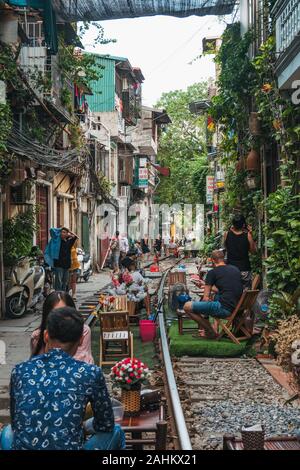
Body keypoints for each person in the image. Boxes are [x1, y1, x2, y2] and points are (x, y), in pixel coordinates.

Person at [6, 307, 125, 450]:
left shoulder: (20, 370)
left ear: (46, 336)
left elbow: (16, 421)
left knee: (8, 431)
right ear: (81, 340)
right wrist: (83, 427)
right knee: (116, 431)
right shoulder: (90, 373)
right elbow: (106, 424)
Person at [184, 250, 243, 339]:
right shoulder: (235, 269)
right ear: (223, 259)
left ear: (212, 260)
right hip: (237, 307)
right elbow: (224, 289)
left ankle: (210, 332)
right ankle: (213, 329)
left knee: (187, 306)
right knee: (216, 296)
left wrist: (205, 303)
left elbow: (205, 298)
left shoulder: (212, 272)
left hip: (224, 309)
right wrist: (205, 284)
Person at [31, 291, 94, 364]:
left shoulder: (83, 331)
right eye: (54, 313)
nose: (59, 317)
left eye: (64, 312)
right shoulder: (37, 336)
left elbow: (83, 359)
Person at [224, 214, 257, 289]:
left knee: (231, 291)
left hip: (230, 269)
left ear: (233, 224)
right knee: (245, 293)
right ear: (243, 225)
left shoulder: (227, 234)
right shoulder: (248, 235)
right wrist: (251, 235)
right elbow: (253, 251)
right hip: (244, 269)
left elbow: (226, 248)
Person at [45, 227, 78, 292]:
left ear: (67, 234)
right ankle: (58, 295)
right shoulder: (56, 241)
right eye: (62, 232)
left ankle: (64, 296)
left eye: (64, 232)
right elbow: (51, 230)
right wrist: (61, 228)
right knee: (58, 282)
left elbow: (76, 237)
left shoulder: (69, 242)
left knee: (65, 282)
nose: (62, 233)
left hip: (67, 264)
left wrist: (70, 232)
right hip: (58, 264)